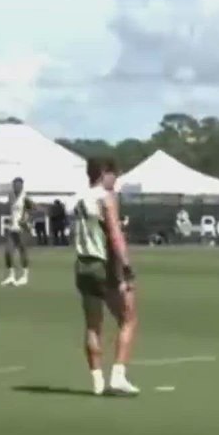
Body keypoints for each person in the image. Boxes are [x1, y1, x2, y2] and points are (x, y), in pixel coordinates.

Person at [73, 157, 139, 395]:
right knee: (129, 319)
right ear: (104, 173)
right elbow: (114, 234)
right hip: (102, 266)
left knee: (93, 326)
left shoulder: (79, 198)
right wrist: (127, 267)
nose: (116, 181)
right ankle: (118, 376)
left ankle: (97, 382)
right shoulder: (105, 198)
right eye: (114, 176)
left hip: (82, 265)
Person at [1, 177, 35, 286]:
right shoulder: (11, 196)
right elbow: (12, 210)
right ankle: (11, 276)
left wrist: (26, 219)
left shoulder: (25, 197)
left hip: (22, 229)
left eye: (18, 184)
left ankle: (25, 276)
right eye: (15, 184)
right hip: (13, 228)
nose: (16, 186)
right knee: (8, 252)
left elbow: (33, 208)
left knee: (22, 251)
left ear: (22, 185)